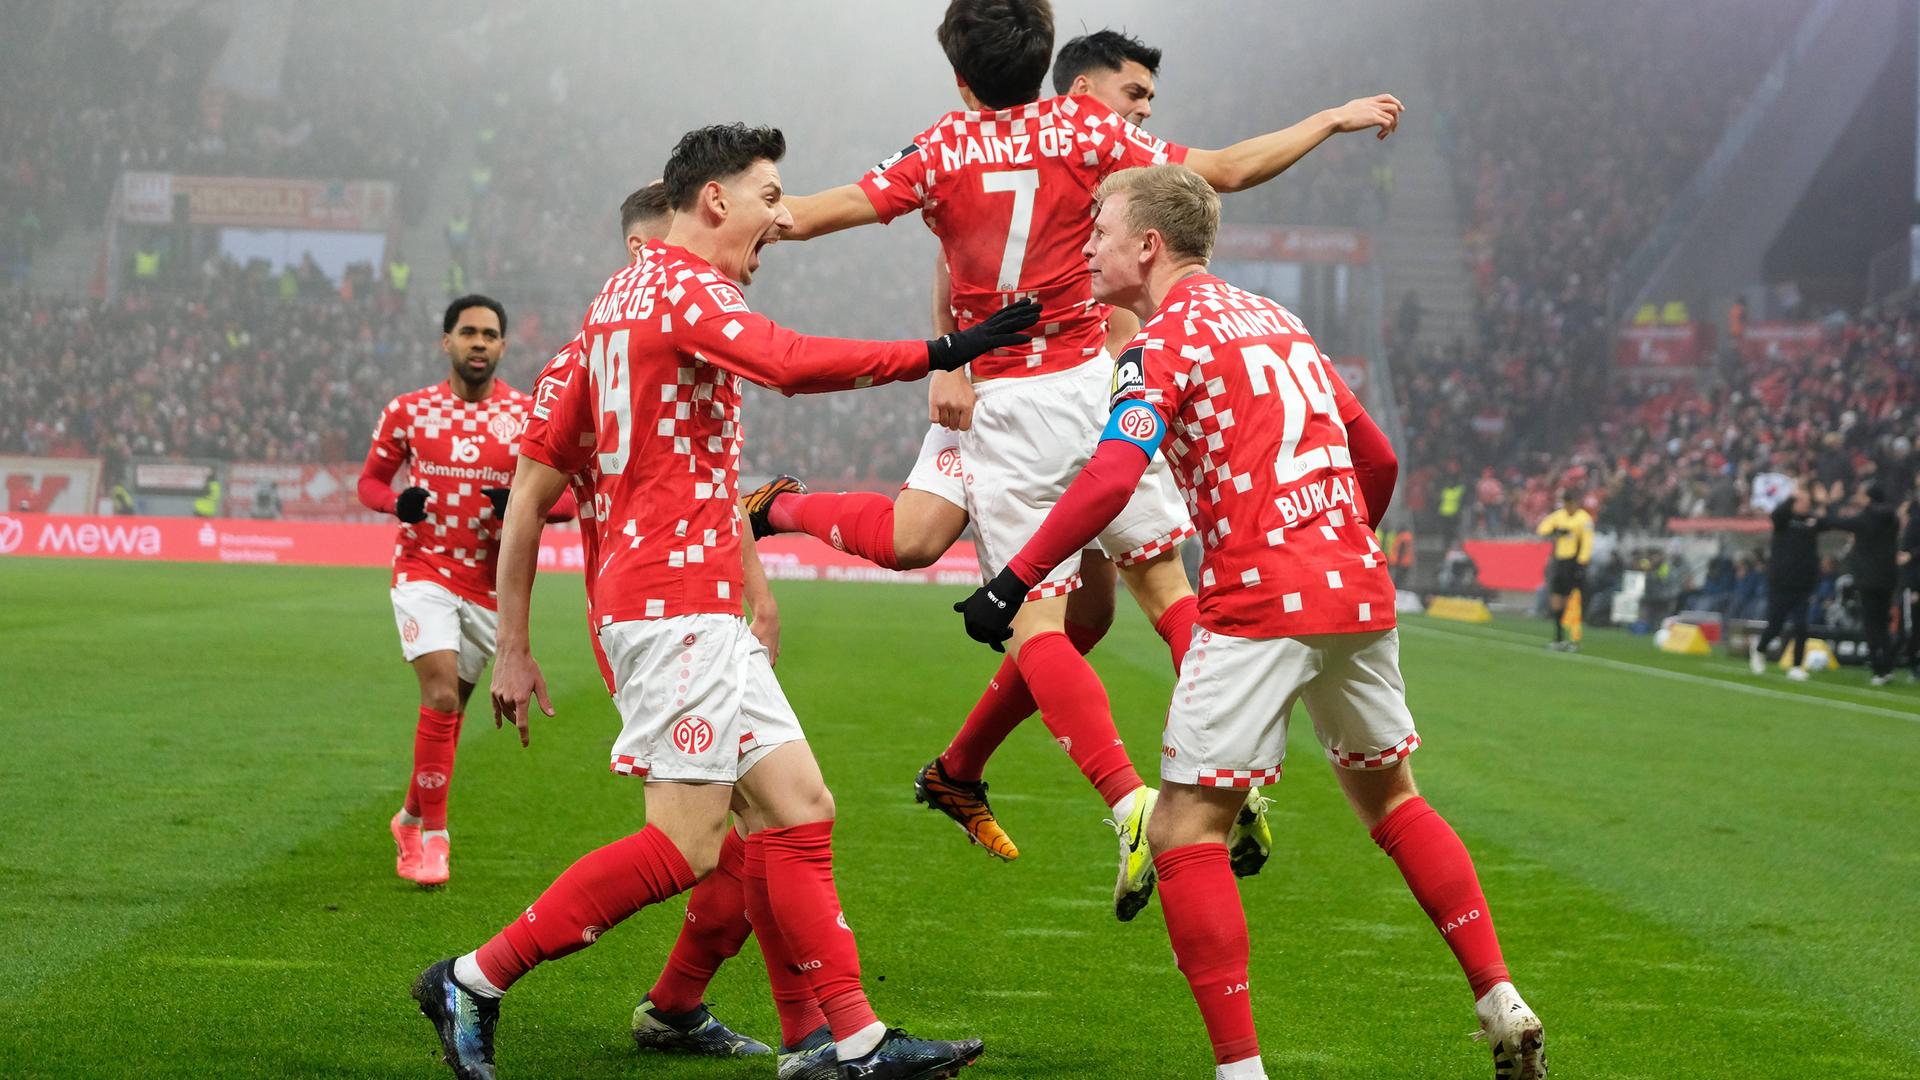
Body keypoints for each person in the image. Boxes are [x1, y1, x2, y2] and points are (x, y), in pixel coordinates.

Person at [415, 123, 1036, 1080]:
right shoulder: (683, 288)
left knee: (798, 807)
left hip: (687, 596)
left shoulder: (613, 305)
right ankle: (474, 978)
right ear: (714, 201)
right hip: (669, 604)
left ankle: (842, 1043)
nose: (779, 218)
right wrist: (941, 349)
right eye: (768, 197)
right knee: (687, 844)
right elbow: (786, 362)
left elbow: (617, 469)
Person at [766, 0, 1403, 917]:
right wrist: (1330, 120)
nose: (1141, 110)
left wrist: (737, 220)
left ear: (958, 75)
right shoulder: (1085, 130)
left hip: (1010, 401)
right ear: (1051, 65)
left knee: (1041, 625)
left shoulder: (940, 150)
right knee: (1148, 589)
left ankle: (1132, 806)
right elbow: (1223, 171)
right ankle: (1220, 779)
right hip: (1098, 384)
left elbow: (821, 214)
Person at [954, 162, 1542, 1080]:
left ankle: (1240, 1072)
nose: (1088, 245)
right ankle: (1501, 999)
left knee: (1186, 829)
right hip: (1355, 588)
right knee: (1394, 801)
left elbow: (1112, 478)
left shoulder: (1159, 347)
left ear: (1147, 245)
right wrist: (1336, 545)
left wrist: (1014, 579)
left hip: (1260, 599)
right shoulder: (1281, 321)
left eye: (1100, 230)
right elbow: (1375, 456)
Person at [521, 181, 792, 1065]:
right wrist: (515, 649)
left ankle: (686, 1012)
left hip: (705, 600)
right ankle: (481, 975)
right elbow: (528, 503)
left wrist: (756, 586)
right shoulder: (591, 356)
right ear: (639, 253)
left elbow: (711, 482)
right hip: (651, 612)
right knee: (710, 843)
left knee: (767, 839)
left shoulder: (686, 331)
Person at [356, 294, 576, 887]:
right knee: (442, 697)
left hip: (489, 586)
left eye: (489, 334)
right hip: (422, 570)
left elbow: (571, 498)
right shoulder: (408, 412)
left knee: (448, 716)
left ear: (503, 346)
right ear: (446, 342)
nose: (479, 342)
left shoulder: (530, 416)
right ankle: (433, 840)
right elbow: (370, 483)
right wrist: (394, 502)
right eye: (468, 332)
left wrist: (530, 505)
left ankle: (408, 818)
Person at [1821, 482, 1899, 686]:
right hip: (1888, 577)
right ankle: (1888, 667)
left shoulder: (1866, 518)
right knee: (1884, 624)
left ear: (1869, 498)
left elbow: (1836, 522)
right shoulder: (1893, 518)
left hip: (1867, 579)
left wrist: (1832, 503)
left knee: (1871, 625)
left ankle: (1877, 669)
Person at [1749, 489, 1820, 680]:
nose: (1806, 504)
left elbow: (1813, 555)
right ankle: (1760, 649)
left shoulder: (1812, 522)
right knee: (1775, 625)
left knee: (1801, 627)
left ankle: (1797, 666)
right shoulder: (1783, 520)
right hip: (1781, 583)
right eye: (1802, 501)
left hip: (1802, 585)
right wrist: (1790, 498)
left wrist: (1813, 582)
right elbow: (1776, 514)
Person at [1534, 490, 1593, 651]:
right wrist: (1555, 531)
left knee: (1573, 602)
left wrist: (1582, 563)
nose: (1567, 506)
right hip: (1560, 562)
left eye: (1570, 503)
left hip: (1574, 564)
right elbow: (1542, 529)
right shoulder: (1559, 516)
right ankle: (1559, 638)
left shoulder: (1584, 519)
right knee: (1556, 600)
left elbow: (1587, 542)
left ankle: (1574, 640)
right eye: (1565, 503)